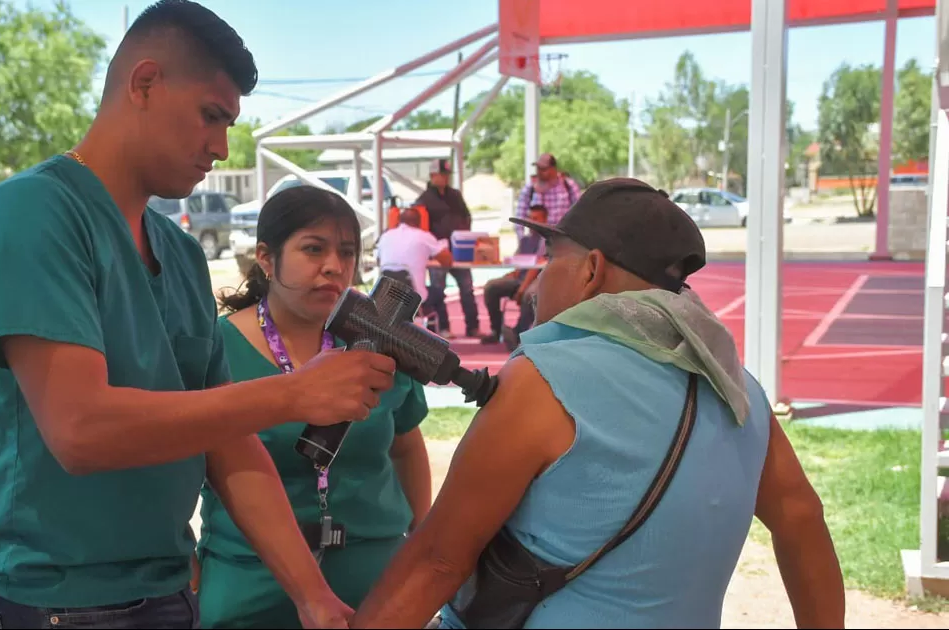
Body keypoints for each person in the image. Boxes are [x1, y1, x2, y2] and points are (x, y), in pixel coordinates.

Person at [0, 2, 396, 628]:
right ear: (145, 83)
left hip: (167, 592)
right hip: (46, 603)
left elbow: (226, 441)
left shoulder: (178, 251)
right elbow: (81, 430)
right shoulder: (33, 216)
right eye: (211, 116)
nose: (221, 145)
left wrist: (310, 594)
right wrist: (293, 395)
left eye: (230, 123)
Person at [351, 178, 845, 629]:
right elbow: (802, 519)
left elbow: (438, 560)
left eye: (549, 260)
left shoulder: (543, 382)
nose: (538, 283)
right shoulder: (741, 391)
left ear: (591, 270)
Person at [193, 185, 434, 628]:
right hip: (249, 583)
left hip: (375, 585)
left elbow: (406, 446)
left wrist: (418, 544)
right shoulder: (215, 347)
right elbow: (176, 464)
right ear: (265, 258)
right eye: (312, 249)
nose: (334, 267)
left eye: (346, 252)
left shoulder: (377, 344)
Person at [415, 158, 479, 339]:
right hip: (438, 254)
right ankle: (444, 328)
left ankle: (472, 327)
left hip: (460, 251)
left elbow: (467, 216)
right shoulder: (423, 199)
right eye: (441, 175)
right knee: (438, 290)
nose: (445, 178)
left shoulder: (455, 195)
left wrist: (465, 235)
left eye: (447, 175)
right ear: (433, 175)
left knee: (467, 288)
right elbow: (421, 226)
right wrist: (432, 247)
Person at [479, 204, 548, 348]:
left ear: (545, 220)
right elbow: (519, 261)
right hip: (521, 278)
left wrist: (522, 288)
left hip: (537, 280)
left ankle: (518, 334)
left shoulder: (546, 241)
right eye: (530, 218)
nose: (531, 221)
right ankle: (496, 330)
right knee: (491, 286)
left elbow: (534, 268)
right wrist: (511, 273)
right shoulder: (525, 240)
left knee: (529, 295)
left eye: (536, 218)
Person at [376, 206, 454, 326]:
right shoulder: (424, 236)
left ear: (398, 220)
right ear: (420, 221)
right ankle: (442, 331)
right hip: (414, 297)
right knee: (438, 293)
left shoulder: (385, 236)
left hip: (387, 296)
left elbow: (378, 260)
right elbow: (447, 261)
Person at [513, 152, 580, 239]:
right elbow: (520, 216)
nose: (539, 172)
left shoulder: (568, 185)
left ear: (553, 169)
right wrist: (523, 240)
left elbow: (579, 214)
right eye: (538, 168)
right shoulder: (530, 188)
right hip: (537, 240)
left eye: (543, 169)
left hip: (562, 240)